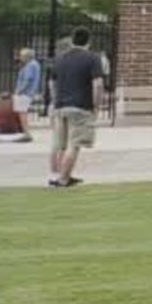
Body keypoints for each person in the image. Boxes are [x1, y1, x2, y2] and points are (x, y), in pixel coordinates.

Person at [49, 29, 105, 187]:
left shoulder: (60, 59)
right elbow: (98, 84)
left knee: (61, 144)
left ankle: (58, 176)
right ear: (88, 41)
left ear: (72, 40)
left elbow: (52, 83)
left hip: (60, 106)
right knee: (74, 145)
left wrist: (56, 101)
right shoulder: (92, 58)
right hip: (81, 106)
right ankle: (64, 179)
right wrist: (96, 106)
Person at [13, 48, 42, 140]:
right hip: (29, 92)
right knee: (23, 112)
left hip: (25, 93)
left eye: (21, 56)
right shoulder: (35, 64)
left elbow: (27, 80)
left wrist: (19, 91)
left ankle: (26, 133)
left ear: (26, 56)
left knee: (22, 113)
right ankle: (26, 132)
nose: (20, 58)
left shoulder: (30, 65)